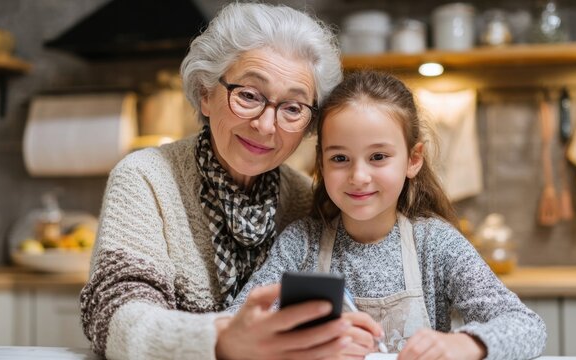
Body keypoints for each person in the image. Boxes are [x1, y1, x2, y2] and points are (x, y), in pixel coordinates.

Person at [79, 3, 381, 360]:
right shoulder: (146, 177)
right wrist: (220, 339)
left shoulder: (304, 198)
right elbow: (114, 317)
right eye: (249, 96)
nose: (266, 126)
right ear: (206, 94)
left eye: (293, 108)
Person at [229, 70, 547, 360]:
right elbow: (233, 329)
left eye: (378, 156)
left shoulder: (436, 244)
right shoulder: (301, 243)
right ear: (321, 164)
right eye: (340, 158)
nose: (359, 176)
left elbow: (527, 327)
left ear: (413, 159)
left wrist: (467, 344)